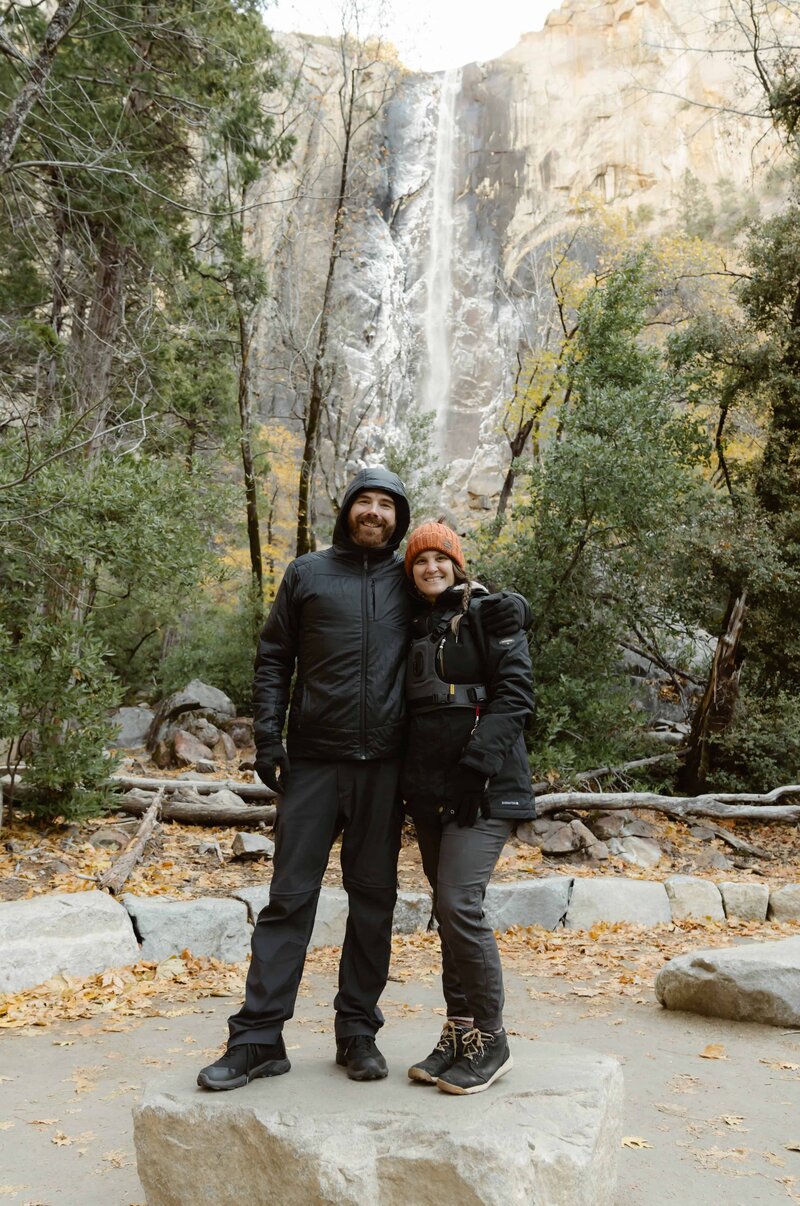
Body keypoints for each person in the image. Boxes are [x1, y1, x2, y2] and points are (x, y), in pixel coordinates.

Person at [197, 468, 527, 1091]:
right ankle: (257, 1039)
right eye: (364, 502)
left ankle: (357, 1032)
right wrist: (268, 736)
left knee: (372, 903)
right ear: (347, 510)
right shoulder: (307, 574)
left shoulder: (410, 586)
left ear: (398, 519)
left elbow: (462, 603)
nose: (374, 512)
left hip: (384, 769)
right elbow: (274, 657)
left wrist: (511, 606)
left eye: (386, 505)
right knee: (289, 899)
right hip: (313, 763)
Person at [402, 520, 535, 1095]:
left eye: (441, 559)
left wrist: (475, 769)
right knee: (447, 909)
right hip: (431, 791)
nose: (431, 567)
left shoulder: (488, 613)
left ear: (457, 564)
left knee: (459, 903)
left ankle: (493, 1037)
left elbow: (516, 696)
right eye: (419, 560)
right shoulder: (412, 623)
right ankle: (460, 1032)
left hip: (485, 785)